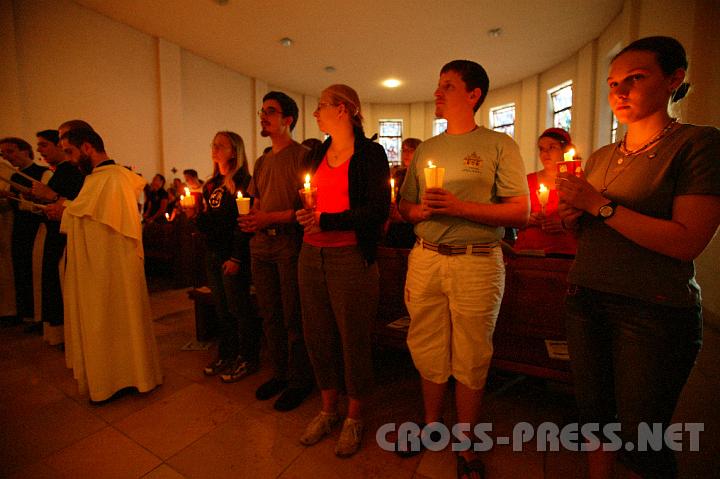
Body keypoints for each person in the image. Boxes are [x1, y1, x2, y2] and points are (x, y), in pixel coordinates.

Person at [557, 36, 720, 479]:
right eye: (613, 84)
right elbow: (591, 230)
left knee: (642, 436)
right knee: (594, 417)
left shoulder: (696, 145)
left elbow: (687, 241)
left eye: (635, 78)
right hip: (586, 298)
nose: (620, 92)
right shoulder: (601, 157)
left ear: (674, 80)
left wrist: (599, 207)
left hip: (653, 310)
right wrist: (573, 216)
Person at [397, 60, 529, 476]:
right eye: (438, 85)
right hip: (426, 256)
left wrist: (459, 207)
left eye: (448, 86)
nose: (438, 93)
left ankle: (467, 443)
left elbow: (520, 212)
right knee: (426, 344)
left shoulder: (498, 145)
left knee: (471, 353)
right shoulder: (428, 150)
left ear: (473, 95)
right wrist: (416, 210)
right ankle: (434, 427)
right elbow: (405, 205)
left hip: (476, 260)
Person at [295, 84, 390, 457]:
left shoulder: (370, 154)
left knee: (353, 339)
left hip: (350, 258)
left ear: (345, 110)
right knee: (317, 335)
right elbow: (303, 197)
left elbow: (377, 210)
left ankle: (354, 416)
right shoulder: (317, 153)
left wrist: (326, 220)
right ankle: (328, 409)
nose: (316, 113)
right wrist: (304, 215)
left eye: (321, 106)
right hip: (310, 255)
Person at [45, 127, 162, 402]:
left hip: (109, 268)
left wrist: (64, 210)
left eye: (71, 152)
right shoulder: (99, 179)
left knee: (110, 320)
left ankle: (119, 380)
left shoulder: (111, 178)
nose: (70, 160)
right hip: (105, 266)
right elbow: (92, 215)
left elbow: (92, 220)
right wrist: (67, 210)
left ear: (87, 147)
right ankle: (122, 377)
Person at [239, 91, 314, 410]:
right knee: (269, 314)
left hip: (288, 245)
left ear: (288, 120)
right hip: (261, 246)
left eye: (270, 112)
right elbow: (256, 201)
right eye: (262, 111)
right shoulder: (261, 160)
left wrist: (269, 217)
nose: (263, 116)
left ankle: (299, 381)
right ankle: (280, 374)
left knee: (292, 316)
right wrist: (252, 221)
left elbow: (305, 208)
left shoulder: (302, 156)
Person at [196, 131, 260, 383]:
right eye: (213, 144)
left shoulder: (244, 181)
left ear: (234, 151)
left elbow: (241, 225)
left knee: (238, 308)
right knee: (222, 309)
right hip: (213, 252)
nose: (214, 149)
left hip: (232, 254)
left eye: (220, 145)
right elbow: (209, 220)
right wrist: (197, 217)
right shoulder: (211, 184)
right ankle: (227, 354)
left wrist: (236, 257)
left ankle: (248, 357)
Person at [30, 130, 85, 345]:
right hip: (55, 233)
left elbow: (81, 206)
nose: (39, 150)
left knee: (62, 285)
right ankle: (58, 333)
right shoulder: (60, 171)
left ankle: (68, 335)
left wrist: (51, 197)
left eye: (43, 145)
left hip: (66, 238)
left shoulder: (73, 171)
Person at [0, 137, 52, 328]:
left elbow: (47, 201)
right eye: (3, 153)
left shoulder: (42, 172)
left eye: (11, 151)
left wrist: (23, 197)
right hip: (19, 228)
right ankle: (28, 315)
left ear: (25, 151)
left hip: (36, 226)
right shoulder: (13, 176)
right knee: (22, 271)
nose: (7, 156)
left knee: (36, 271)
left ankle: (40, 317)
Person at [513, 128, 577, 256]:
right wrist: (526, 219)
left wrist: (564, 225)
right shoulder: (527, 180)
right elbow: (513, 216)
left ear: (565, 150)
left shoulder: (577, 180)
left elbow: (588, 218)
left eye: (552, 147)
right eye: (541, 149)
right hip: (528, 252)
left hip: (564, 252)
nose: (545, 153)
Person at [385, 137, 422, 248]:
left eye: (410, 150)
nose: (406, 154)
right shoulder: (398, 174)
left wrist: (404, 216)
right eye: (404, 150)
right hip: (395, 226)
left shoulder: (422, 176)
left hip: (412, 228)